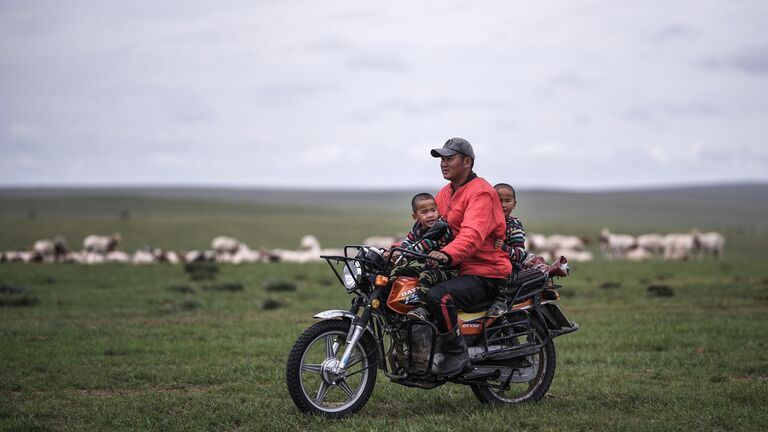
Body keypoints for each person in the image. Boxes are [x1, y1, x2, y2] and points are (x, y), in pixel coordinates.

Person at [425, 137, 513, 376]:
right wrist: (395, 249)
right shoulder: (446, 193)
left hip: (485, 272)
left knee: (439, 297)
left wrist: (446, 254)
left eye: (449, 158)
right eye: (442, 159)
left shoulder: (481, 192)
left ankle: (457, 352)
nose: (443, 163)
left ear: (467, 162)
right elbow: (427, 228)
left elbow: (472, 236)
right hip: (460, 268)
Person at [397, 193, 460, 321]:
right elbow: (408, 242)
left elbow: (422, 245)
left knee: (425, 277)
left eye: (433, 210)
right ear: (415, 216)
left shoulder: (441, 227)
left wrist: (403, 253)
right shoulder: (417, 227)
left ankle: (422, 308)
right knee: (400, 272)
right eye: (424, 212)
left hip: (449, 270)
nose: (430, 215)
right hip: (430, 267)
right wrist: (396, 253)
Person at [487, 183, 529, 316]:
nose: (503, 205)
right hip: (490, 263)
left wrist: (504, 248)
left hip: (511, 268)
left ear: (514, 204)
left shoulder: (514, 225)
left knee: (503, 270)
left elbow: (520, 254)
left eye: (507, 201)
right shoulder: (486, 221)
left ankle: (501, 301)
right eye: (499, 200)